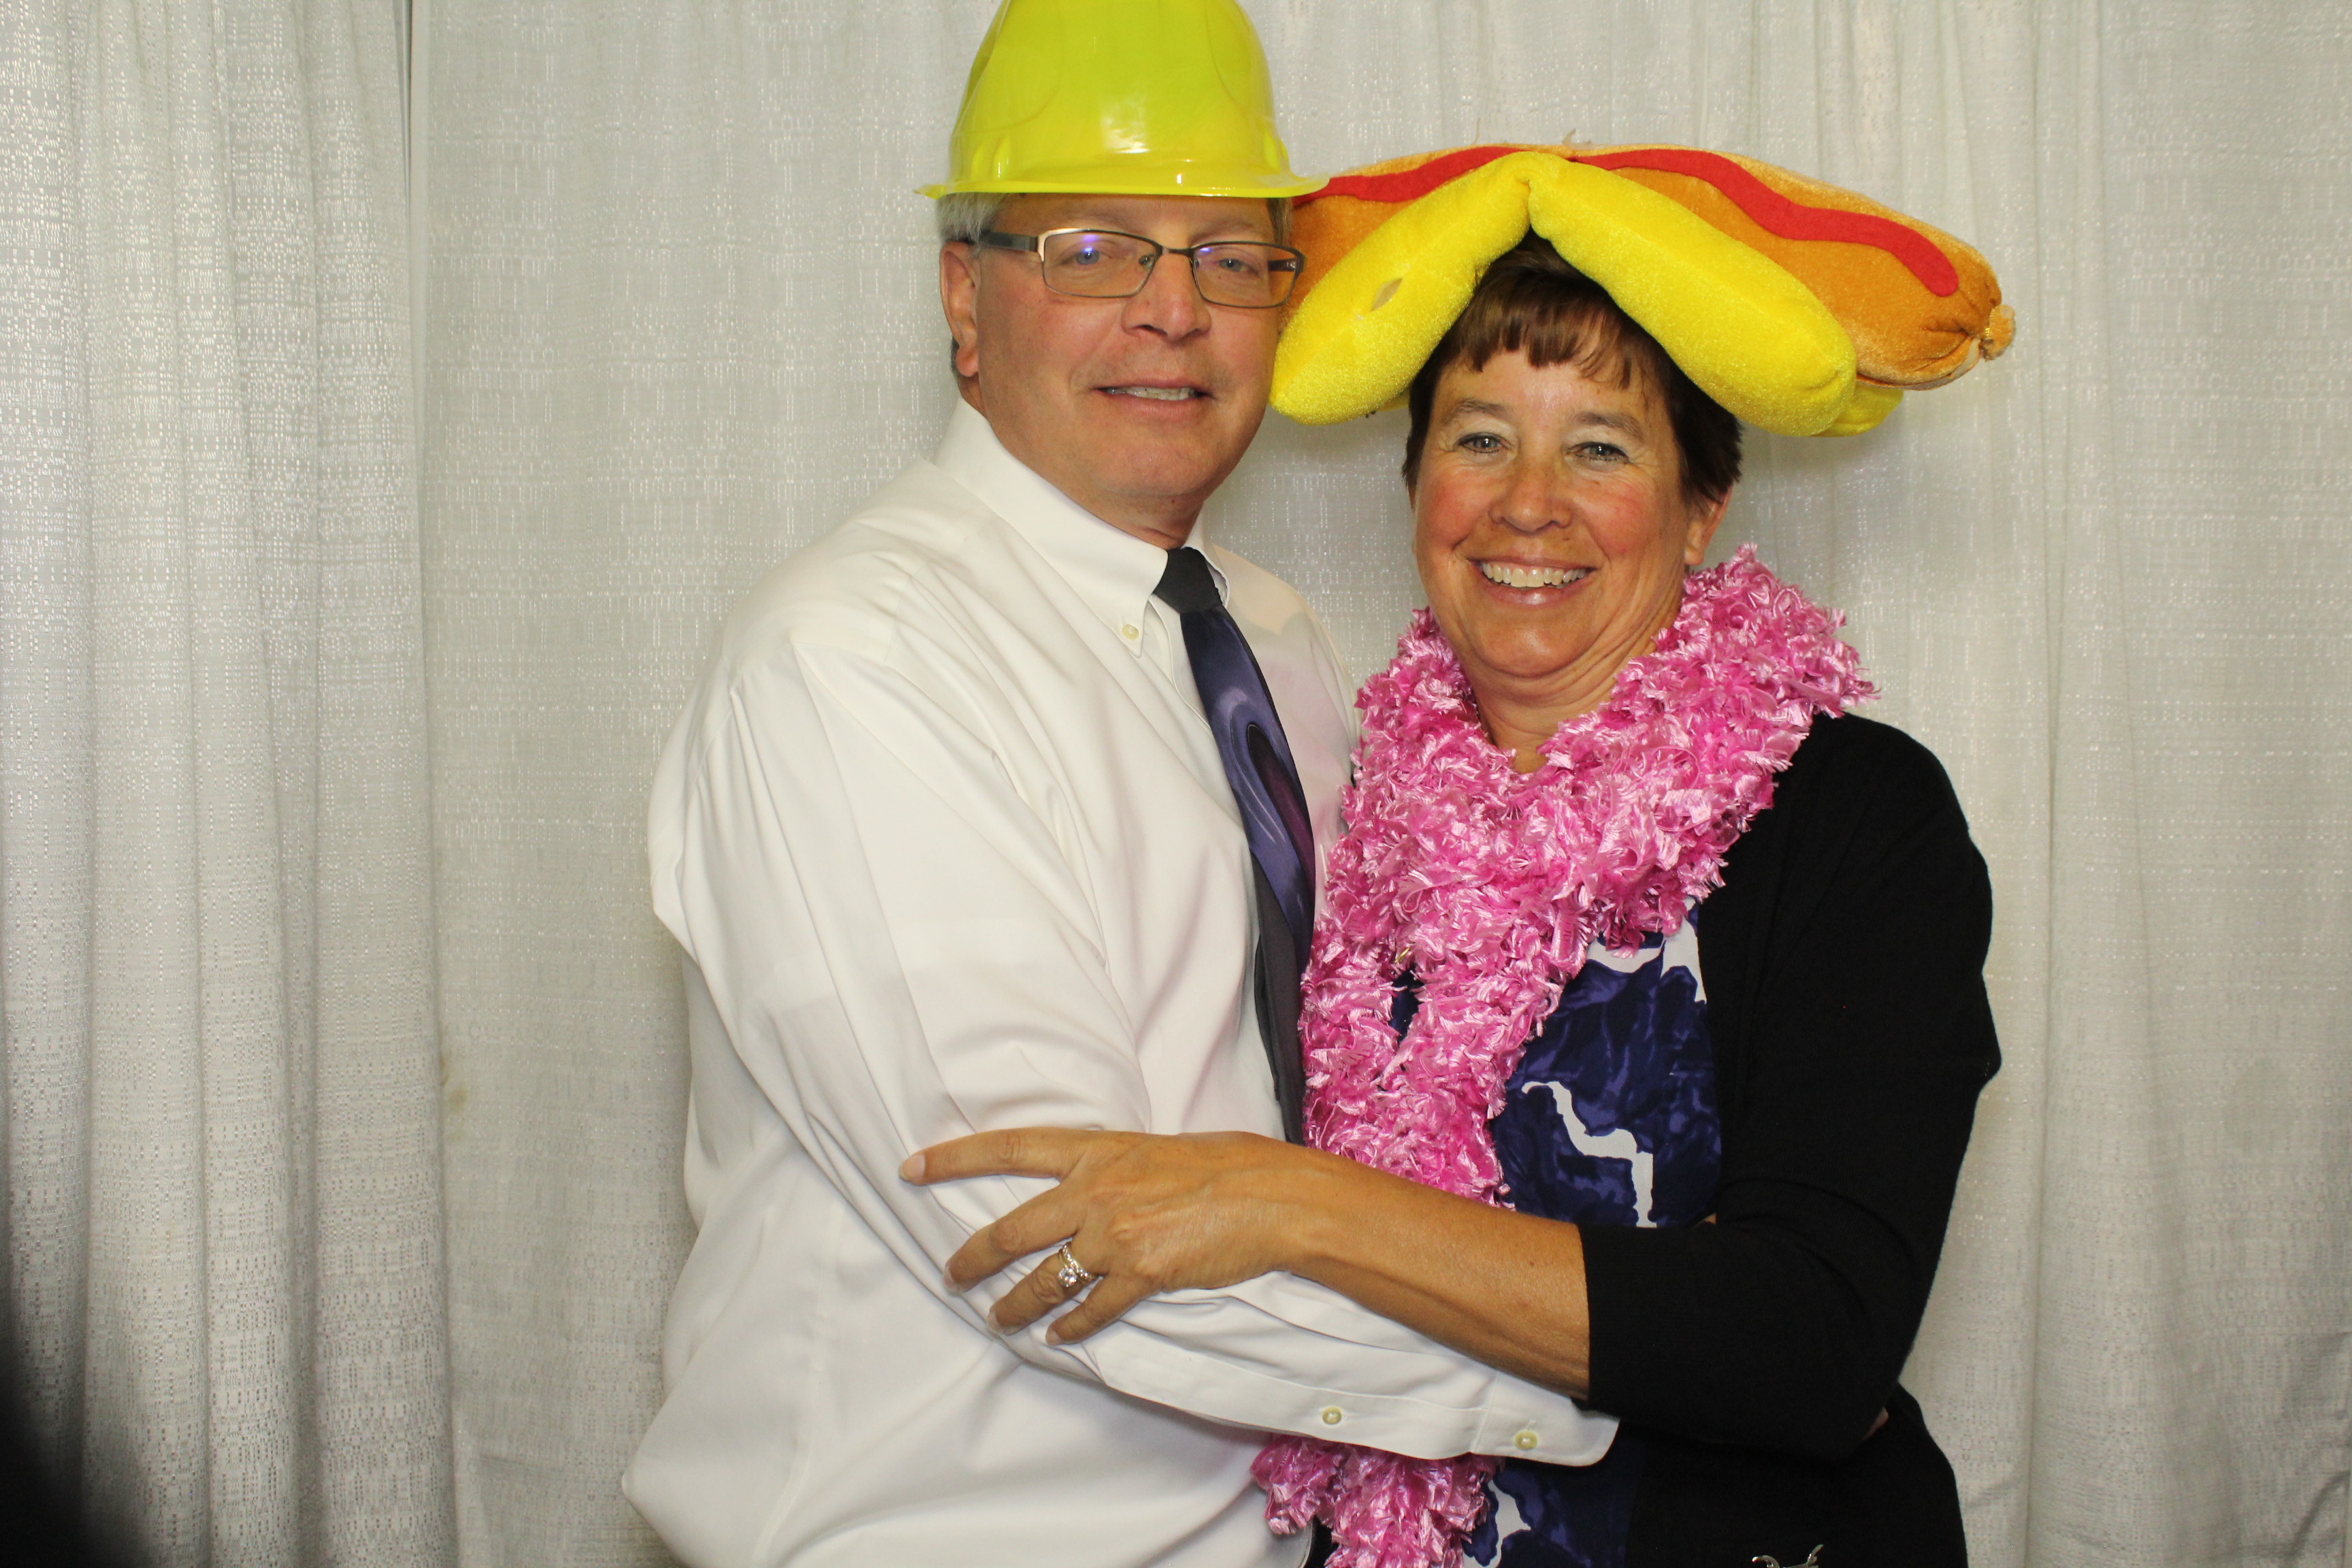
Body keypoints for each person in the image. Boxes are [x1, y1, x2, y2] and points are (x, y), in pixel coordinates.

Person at [621, 7, 1620, 1567]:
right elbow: (1064, 1253)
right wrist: (1628, 1378)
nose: (1175, 315)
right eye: (1094, 248)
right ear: (966, 296)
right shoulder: (849, 666)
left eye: (1233, 257)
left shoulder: (1275, 636)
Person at [911, 233, 2003, 1567]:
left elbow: (1810, 1341)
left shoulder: (1855, 815)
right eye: (1480, 439)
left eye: (1600, 447)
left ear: (1704, 504)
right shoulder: (1340, 804)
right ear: (1417, 481)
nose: (1526, 505)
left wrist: (1295, 1208)